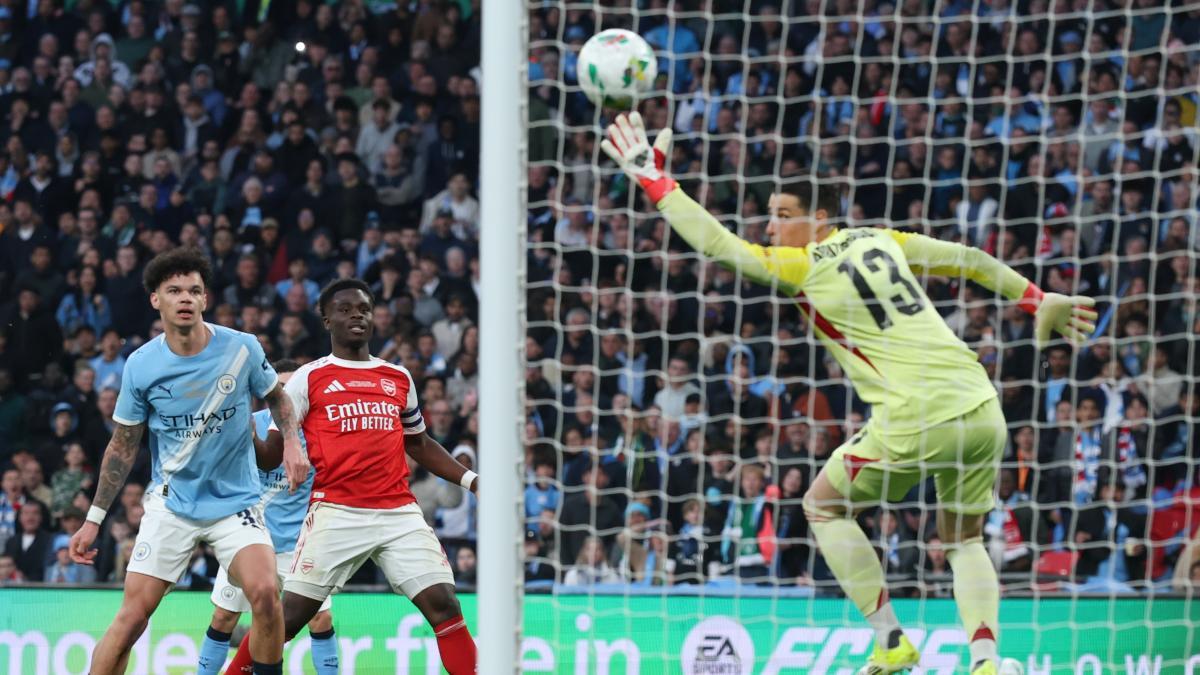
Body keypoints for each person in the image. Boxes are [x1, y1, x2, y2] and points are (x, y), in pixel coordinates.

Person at [602, 112, 1098, 675]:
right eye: (769, 217)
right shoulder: (882, 239)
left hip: (916, 415)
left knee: (822, 506)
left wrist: (656, 182)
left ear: (819, 219)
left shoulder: (805, 264)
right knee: (962, 540)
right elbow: (970, 259)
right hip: (982, 407)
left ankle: (891, 642)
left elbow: (720, 245)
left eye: (782, 217)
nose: (770, 228)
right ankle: (987, 663)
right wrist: (1035, 297)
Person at [68, 248, 304, 675]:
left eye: (194, 290)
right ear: (155, 299)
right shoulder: (141, 365)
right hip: (172, 503)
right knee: (132, 619)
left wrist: (292, 443)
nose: (185, 298)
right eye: (174, 290)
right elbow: (122, 446)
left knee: (267, 594)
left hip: (237, 503)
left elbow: (278, 398)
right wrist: (94, 518)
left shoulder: (242, 348)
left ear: (205, 299)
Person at [225, 279, 479, 674]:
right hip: (336, 513)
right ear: (328, 320)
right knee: (286, 620)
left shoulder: (398, 378)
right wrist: (245, 429)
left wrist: (471, 481)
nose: (356, 315)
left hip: (398, 513)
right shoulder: (309, 378)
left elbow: (420, 443)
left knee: (445, 603)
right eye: (344, 309)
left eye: (363, 308)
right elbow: (272, 457)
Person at [196, 360, 338, 675]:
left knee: (320, 618)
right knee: (223, 617)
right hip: (249, 540)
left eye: (293, 388)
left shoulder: (320, 433)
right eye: (281, 388)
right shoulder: (249, 424)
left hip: (298, 547)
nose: (287, 395)